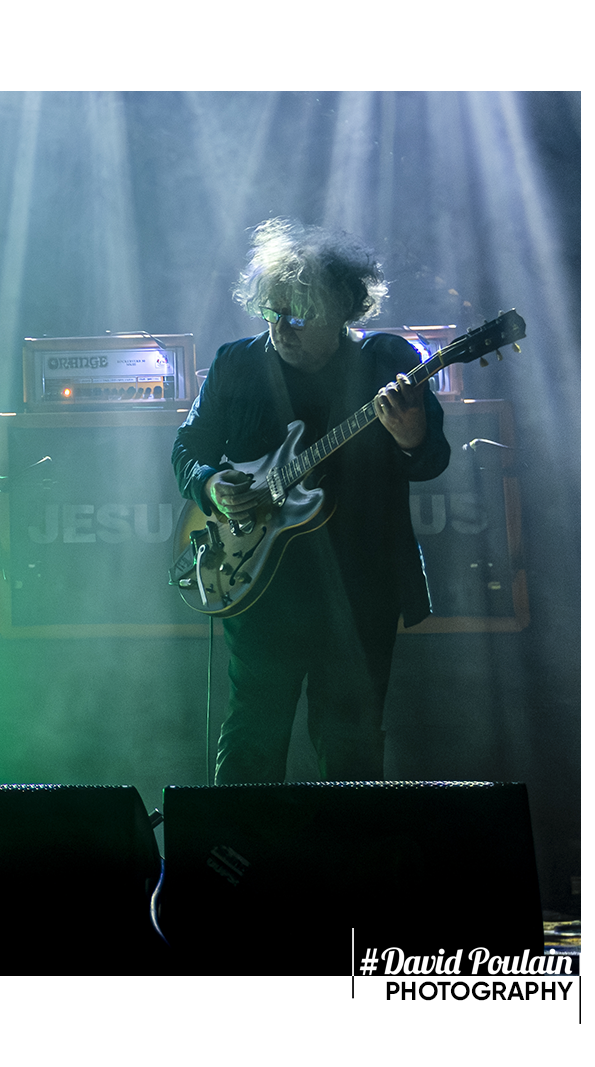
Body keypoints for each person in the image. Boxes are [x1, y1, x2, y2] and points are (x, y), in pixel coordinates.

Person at [171, 218, 450, 783]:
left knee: (351, 741)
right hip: (258, 579)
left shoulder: (386, 361)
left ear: (343, 309)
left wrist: (411, 435)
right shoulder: (236, 363)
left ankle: (345, 843)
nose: (281, 329)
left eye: (298, 317)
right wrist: (210, 486)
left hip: (359, 580)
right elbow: (188, 448)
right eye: (270, 313)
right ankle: (234, 840)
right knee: (252, 732)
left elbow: (432, 460)